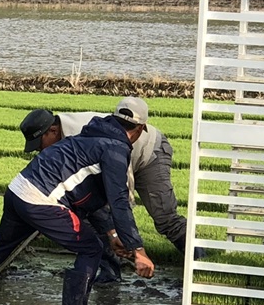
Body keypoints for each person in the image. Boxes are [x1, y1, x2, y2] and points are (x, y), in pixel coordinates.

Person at [0, 105, 156, 305]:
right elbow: (118, 200)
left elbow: (89, 200)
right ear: (140, 129)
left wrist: (112, 234)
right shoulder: (115, 148)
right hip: (40, 201)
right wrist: (138, 250)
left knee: (0, 248)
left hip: (17, 190)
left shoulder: (89, 134)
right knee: (91, 248)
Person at [19, 97, 189, 256]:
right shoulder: (66, 143)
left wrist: (125, 233)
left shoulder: (82, 134)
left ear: (53, 131)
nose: (40, 151)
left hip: (150, 152)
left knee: (165, 217)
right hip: (120, 157)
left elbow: (120, 189)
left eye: (39, 145)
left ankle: (201, 260)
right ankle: (111, 271)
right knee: (92, 216)